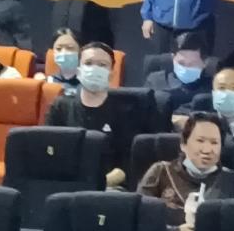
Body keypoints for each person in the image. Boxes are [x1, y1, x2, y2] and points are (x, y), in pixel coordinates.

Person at [139, 112, 234, 231]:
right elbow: (140, 221)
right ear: (183, 144)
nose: (207, 150)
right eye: (200, 141)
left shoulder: (229, 180)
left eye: (214, 143)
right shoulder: (160, 172)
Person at [46, 42, 153, 187]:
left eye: (102, 65)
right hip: (67, 183)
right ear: (78, 71)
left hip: (110, 186)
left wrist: (99, 184)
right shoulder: (60, 106)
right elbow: (49, 149)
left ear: (111, 74)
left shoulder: (126, 111)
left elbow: (129, 161)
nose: (94, 69)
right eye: (88, 63)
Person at [156, 34, 214, 122]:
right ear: (173, 58)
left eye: (192, 64)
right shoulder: (156, 80)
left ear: (205, 63)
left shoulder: (213, 87)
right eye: (181, 63)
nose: (186, 68)